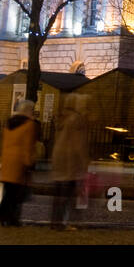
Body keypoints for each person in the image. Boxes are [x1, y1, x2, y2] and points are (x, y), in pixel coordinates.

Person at [49, 94, 91, 230]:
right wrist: (84, 162)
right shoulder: (76, 119)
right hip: (70, 160)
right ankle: (70, 222)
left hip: (58, 156)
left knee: (59, 192)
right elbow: (78, 144)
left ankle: (55, 222)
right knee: (71, 193)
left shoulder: (61, 117)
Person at [0, 99, 38, 227]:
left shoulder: (9, 123)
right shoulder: (29, 124)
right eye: (33, 110)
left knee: (8, 192)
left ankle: (3, 217)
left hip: (7, 161)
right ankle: (13, 219)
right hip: (19, 162)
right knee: (16, 194)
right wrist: (29, 163)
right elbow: (27, 146)